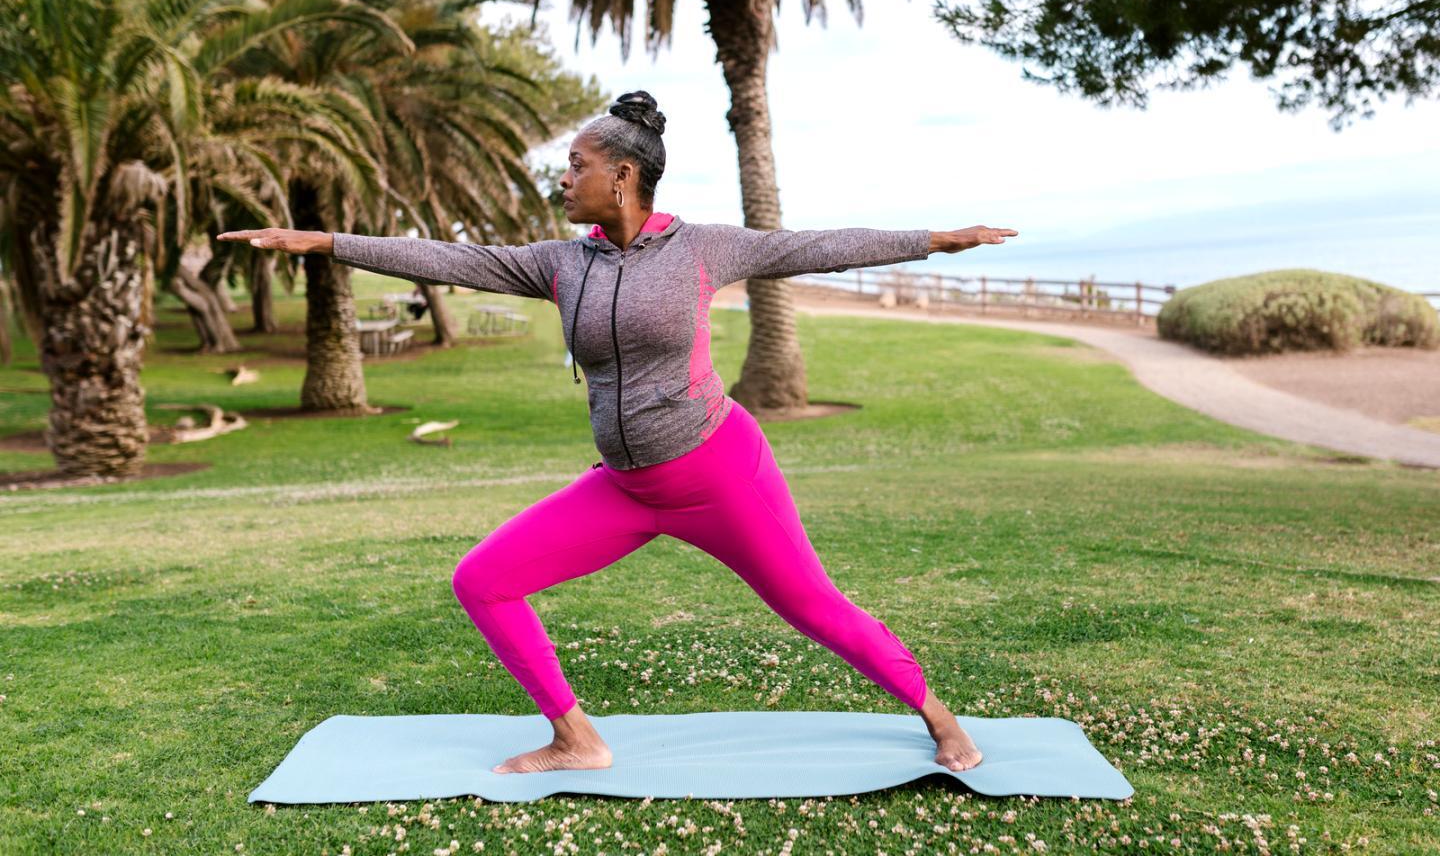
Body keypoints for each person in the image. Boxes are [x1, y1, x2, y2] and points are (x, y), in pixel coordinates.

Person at [218, 90, 1017, 777]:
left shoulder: (703, 248)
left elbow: (813, 246)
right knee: (482, 580)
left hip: (720, 473)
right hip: (627, 488)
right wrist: (325, 243)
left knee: (812, 606)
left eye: (577, 166)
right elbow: (450, 257)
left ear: (623, 176)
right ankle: (574, 738)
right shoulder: (562, 263)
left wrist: (935, 240)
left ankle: (939, 716)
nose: (563, 180)